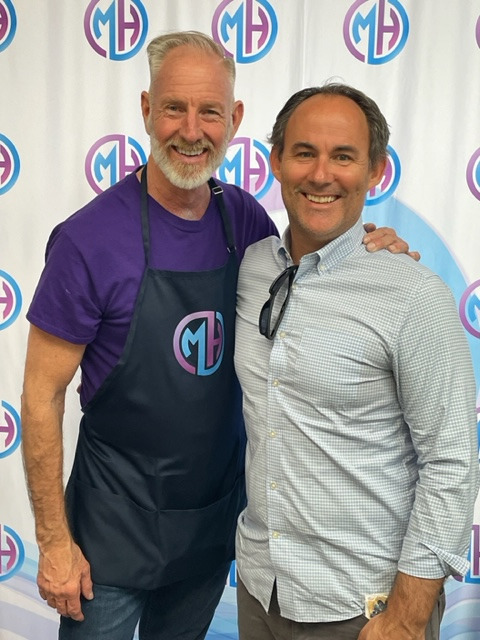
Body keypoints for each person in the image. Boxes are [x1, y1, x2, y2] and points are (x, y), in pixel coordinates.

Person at [21, 31, 413, 640]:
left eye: (209, 111)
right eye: (173, 108)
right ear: (146, 110)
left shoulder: (246, 220)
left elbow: (315, 275)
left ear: (234, 119)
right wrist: (53, 542)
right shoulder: (87, 240)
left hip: (209, 529)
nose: (191, 130)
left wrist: (372, 251)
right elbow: (40, 397)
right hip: (108, 537)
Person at [234, 83, 479, 640]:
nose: (321, 175)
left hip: (365, 609)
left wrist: (407, 617)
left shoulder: (413, 295)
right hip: (259, 590)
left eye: (343, 156)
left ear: (375, 171)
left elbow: (452, 461)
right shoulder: (250, 269)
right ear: (276, 161)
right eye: (304, 153)